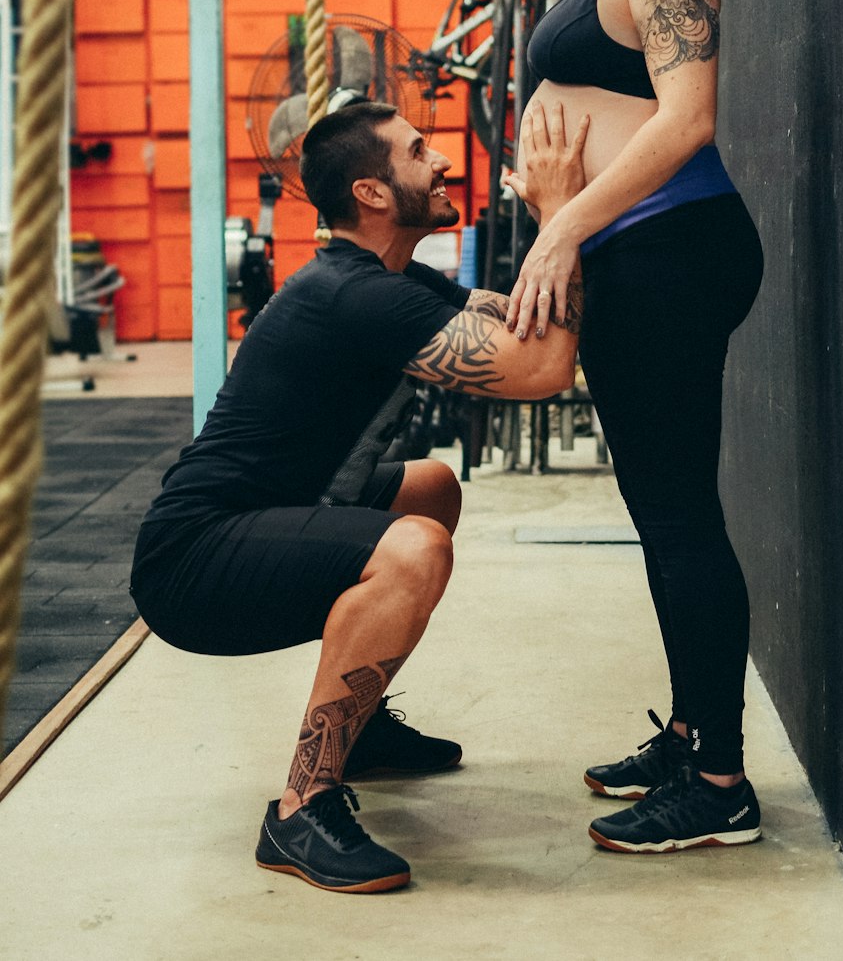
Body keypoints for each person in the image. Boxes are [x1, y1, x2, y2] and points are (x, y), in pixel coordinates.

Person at [130, 100, 587, 895]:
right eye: (418, 151)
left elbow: (518, 325)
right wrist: (562, 217)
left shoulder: (395, 281)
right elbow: (544, 371)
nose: (440, 159)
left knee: (432, 488)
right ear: (374, 193)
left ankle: (360, 728)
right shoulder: (358, 296)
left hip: (262, 517)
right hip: (192, 562)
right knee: (417, 548)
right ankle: (302, 805)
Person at [504, 0, 764, 855]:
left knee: (676, 513)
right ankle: (694, 727)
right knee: (662, 510)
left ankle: (718, 781)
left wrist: (561, 227)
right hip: (634, 251)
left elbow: (687, 118)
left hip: (670, 253)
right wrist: (562, 220)